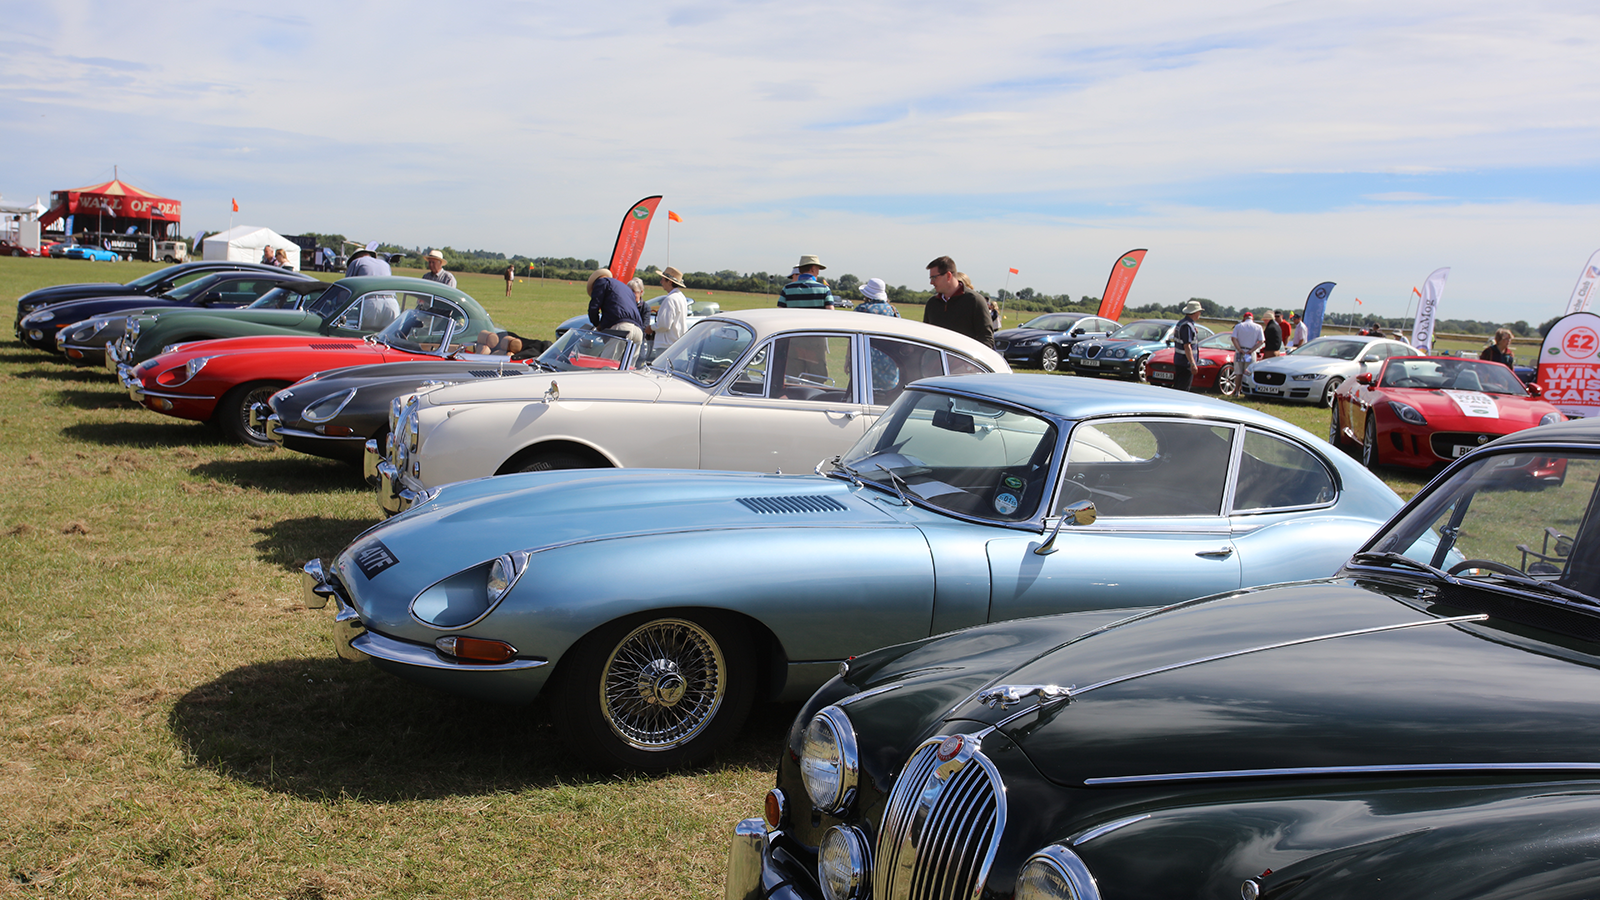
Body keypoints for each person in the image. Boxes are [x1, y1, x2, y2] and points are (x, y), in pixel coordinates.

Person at [923, 256, 994, 346]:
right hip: (936, 360)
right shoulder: (932, 303)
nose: (931, 282)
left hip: (964, 359)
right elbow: (926, 337)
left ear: (948, 275)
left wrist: (964, 359)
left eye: (934, 278)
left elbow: (987, 339)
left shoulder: (975, 301)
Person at [586, 268, 644, 343]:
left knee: (608, 355)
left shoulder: (601, 282)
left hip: (621, 329)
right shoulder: (625, 288)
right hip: (638, 331)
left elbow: (593, 307)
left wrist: (597, 324)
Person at [652, 267, 690, 352]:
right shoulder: (681, 297)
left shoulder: (670, 299)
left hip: (667, 346)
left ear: (669, 282)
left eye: (663, 279)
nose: (661, 282)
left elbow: (664, 325)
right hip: (677, 344)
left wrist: (651, 328)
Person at [1229, 311, 1265, 398]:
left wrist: (1239, 349)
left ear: (1244, 318)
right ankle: (1247, 391)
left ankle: (1237, 391)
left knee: (1238, 372)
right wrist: (1252, 350)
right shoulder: (1258, 327)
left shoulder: (1238, 326)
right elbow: (1261, 341)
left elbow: (1234, 338)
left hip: (1240, 351)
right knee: (1248, 373)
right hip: (1250, 352)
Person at [1171, 300, 1204, 391]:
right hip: (1185, 362)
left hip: (1179, 360)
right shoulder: (1187, 326)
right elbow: (1187, 346)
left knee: (1178, 387)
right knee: (1183, 389)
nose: (1200, 313)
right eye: (1199, 311)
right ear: (1195, 312)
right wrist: (1193, 364)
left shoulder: (1182, 323)